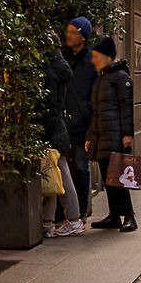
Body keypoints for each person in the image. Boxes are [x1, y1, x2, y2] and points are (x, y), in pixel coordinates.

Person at [43, 18, 97, 236]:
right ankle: (58, 219)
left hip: (73, 123)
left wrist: (88, 116)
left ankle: (77, 217)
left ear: (82, 35)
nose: (68, 35)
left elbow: (94, 93)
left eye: (72, 31)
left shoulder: (89, 60)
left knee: (75, 170)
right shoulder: (63, 59)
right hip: (64, 123)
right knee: (57, 171)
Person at [88, 37, 139, 234]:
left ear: (107, 57)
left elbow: (127, 109)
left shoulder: (120, 78)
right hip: (102, 136)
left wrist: (127, 135)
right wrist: (91, 137)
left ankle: (129, 217)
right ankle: (114, 215)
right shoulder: (101, 78)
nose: (93, 60)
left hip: (116, 136)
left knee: (119, 179)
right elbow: (96, 111)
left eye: (96, 56)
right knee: (108, 179)